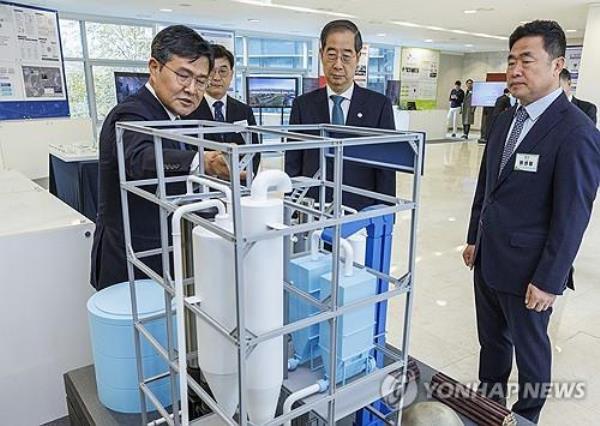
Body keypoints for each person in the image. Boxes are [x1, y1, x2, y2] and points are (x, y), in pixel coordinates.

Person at [462, 20, 600, 423]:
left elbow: (573, 215)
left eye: (527, 60)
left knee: (531, 352)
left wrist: (549, 280)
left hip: (530, 273)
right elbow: (487, 187)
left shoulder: (575, 131)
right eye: (511, 60)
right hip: (488, 260)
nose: (515, 69)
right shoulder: (506, 117)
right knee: (493, 346)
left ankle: (526, 417)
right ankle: (489, 409)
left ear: (557, 65)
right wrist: (474, 238)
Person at [90, 25, 229, 291]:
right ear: (154, 67)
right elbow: (140, 158)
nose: (192, 89)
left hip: (163, 254)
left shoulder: (174, 116)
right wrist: (202, 161)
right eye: (183, 76)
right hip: (130, 261)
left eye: (201, 81)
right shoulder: (131, 114)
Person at [284, 19, 395, 211]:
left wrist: (384, 217)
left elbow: (385, 169)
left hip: (360, 211)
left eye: (346, 56)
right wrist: (292, 211)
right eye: (332, 55)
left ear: (357, 57)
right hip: (312, 210)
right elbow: (293, 163)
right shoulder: (303, 105)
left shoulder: (379, 106)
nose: (337, 65)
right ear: (321, 55)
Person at [186, 44, 260, 172]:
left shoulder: (244, 110)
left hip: (240, 185)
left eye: (222, 71)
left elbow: (254, 151)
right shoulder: (189, 109)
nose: (216, 78)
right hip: (203, 185)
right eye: (211, 71)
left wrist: (245, 178)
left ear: (231, 74)